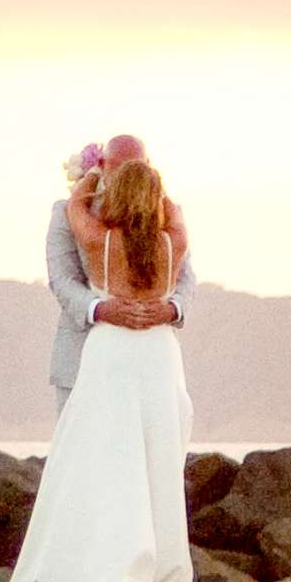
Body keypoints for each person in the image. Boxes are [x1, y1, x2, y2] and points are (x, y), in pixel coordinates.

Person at [2, 150, 195, 582]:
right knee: (154, 460)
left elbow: (75, 207)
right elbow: (61, 279)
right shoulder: (174, 238)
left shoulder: (97, 237)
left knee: (102, 465)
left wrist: (87, 179)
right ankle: (156, 571)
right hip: (157, 355)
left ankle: (103, 569)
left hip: (112, 353)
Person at [44, 132, 196, 421]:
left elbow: (187, 278)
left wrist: (171, 309)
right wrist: (100, 309)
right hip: (81, 357)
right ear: (103, 165)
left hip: (152, 360)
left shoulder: (166, 218)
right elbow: (61, 279)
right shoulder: (67, 212)